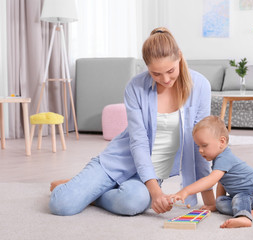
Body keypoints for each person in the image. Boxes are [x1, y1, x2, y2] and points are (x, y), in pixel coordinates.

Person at [49, 27, 215, 216]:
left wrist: (208, 197)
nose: (165, 79)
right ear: (146, 67)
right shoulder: (135, 87)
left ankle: (91, 194)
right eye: (156, 74)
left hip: (149, 172)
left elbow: (200, 142)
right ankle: (80, 188)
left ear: (180, 56)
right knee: (61, 204)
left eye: (170, 70)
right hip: (118, 161)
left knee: (133, 203)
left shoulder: (200, 86)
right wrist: (156, 192)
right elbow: (139, 142)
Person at [169, 115, 253, 228]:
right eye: (198, 146)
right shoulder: (219, 159)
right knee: (220, 203)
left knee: (239, 198)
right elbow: (222, 182)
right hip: (249, 197)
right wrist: (216, 204)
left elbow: (210, 181)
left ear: (222, 141)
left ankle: (244, 217)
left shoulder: (225, 158)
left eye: (204, 145)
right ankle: (251, 211)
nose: (200, 150)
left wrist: (186, 191)